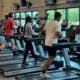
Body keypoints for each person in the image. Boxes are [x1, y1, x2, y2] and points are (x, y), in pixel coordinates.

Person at [40, 12, 61, 78]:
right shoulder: (57, 23)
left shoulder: (48, 22)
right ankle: (43, 71)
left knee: (51, 56)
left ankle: (44, 65)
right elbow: (58, 33)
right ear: (59, 17)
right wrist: (62, 35)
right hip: (53, 43)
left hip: (47, 42)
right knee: (51, 58)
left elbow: (43, 31)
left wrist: (49, 33)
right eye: (60, 18)